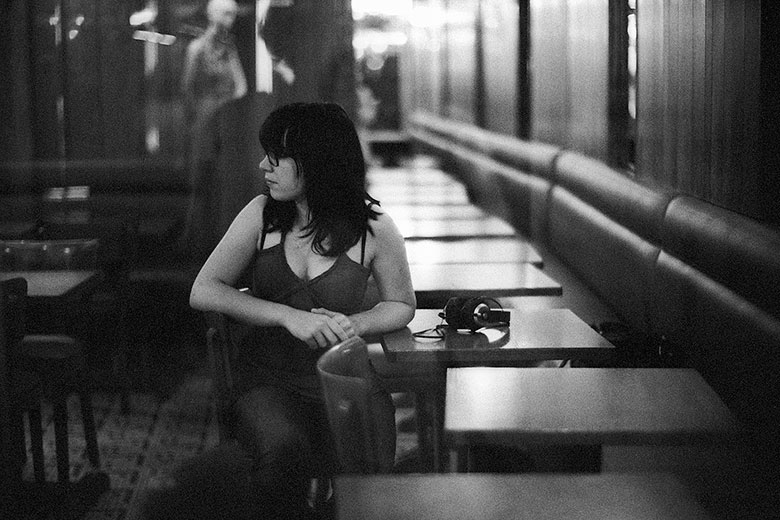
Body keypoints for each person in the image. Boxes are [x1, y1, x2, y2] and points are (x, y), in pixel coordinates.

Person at [189, 102, 416, 509]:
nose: (263, 165)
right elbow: (204, 290)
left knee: (366, 463)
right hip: (267, 379)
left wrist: (356, 323)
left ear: (316, 162)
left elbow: (401, 303)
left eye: (277, 157)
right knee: (284, 450)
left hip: (342, 379)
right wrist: (287, 316)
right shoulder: (261, 216)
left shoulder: (375, 229)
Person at [181, 0, 248, 261]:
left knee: (224, 184)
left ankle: (222, 246)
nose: (231, 20)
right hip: (205, 122)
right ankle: (197, 244)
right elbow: (187, 90)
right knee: (202, 183)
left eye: (233, 15)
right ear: (214, 15)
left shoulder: (228, 49)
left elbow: (241, 86)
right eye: (227, 14)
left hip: (225, 123)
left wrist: (227, 107)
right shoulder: (197, 48)